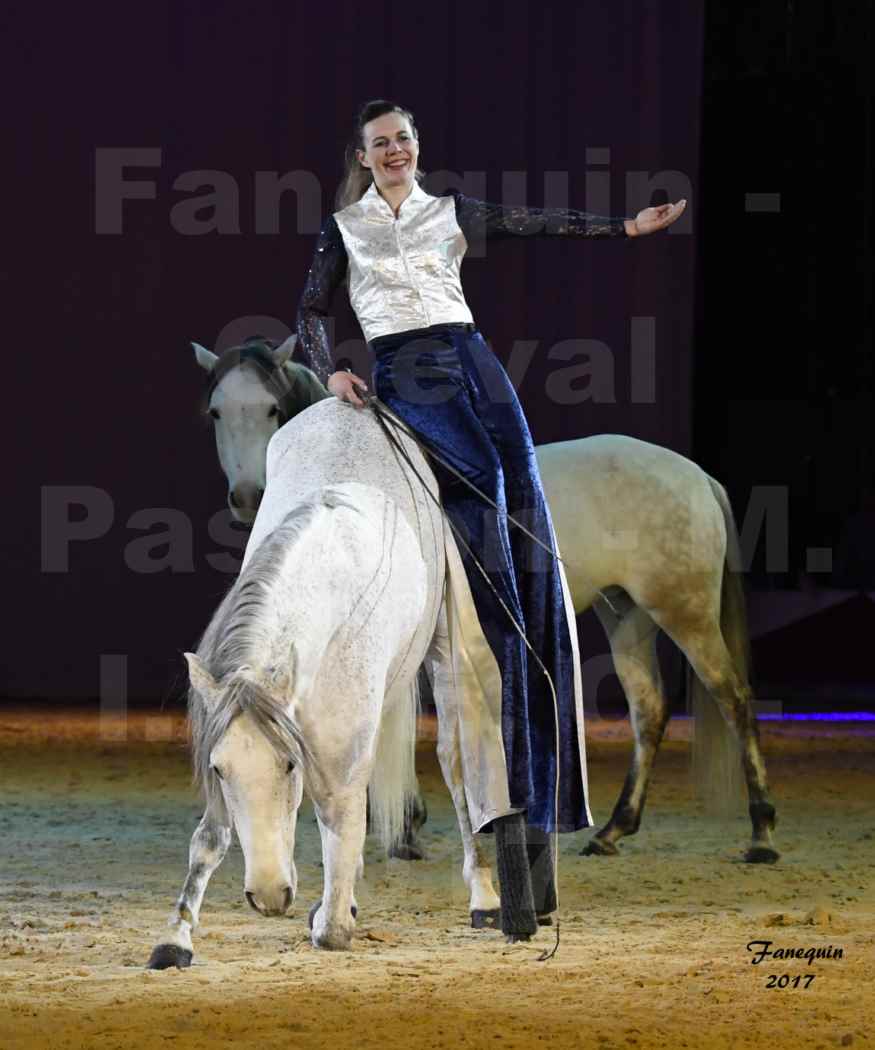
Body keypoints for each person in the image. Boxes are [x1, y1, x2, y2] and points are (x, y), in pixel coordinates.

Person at [295, 99, 685, 922]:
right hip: (409, 373)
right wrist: (330, 370)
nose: (394, 150)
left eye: (403, 138)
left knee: (523, 498)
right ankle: (496, 631)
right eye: (380, 144)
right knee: (479, 495)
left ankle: (532, 641)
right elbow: (308, 311)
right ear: (362, 158)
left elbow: (539, 223)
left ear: (415, 147)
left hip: (475, 363)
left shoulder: (449, 212)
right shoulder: (345, 227)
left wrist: (624, 230)